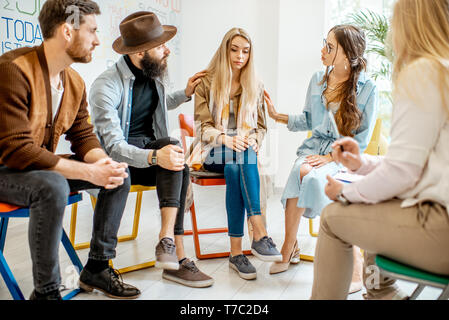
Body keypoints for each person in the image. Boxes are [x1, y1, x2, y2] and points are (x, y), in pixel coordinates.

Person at [0, 0, 141, 300]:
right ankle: (47, 292)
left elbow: (83, 136)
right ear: (67, 31)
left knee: (119, 176)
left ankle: (97, 267)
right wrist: (88, 171)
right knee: (52, 186)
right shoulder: (12, 70)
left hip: (35, 168)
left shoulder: (74, 82)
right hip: (6, 169)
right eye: (91, 31)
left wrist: (104, 164)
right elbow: (16, 150)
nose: (97, 40)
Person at [311, 0, 449, 300]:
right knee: (372, 204)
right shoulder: (443, 69)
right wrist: (362, 164)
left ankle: (380, 291)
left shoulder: (425, 71)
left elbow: (402, 173)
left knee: (333, 217)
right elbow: (423, 163)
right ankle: (382, 292)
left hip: (441, 230)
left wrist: (344, 193)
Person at [89, 11, 213, 288]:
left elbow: (158, 103)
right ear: (139, 53)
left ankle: (166, 241)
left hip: (146, 153)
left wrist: (186, 93)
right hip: (119, 159)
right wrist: (157, 156)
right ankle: (178, 260)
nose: (167, 50)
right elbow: (114, 147)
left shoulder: (152, 74)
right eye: (160, 46)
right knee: (169, 156)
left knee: (174, 152)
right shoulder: (105, 86)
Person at [264, 24, 378, 292]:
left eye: (329, 47)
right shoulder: (318, 78)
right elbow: (307, 120)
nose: (322, 51)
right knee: (299, 171)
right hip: (314, 147)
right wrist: (276, 115)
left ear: (347, 52)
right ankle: (289, 246)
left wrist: (330, 157)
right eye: (323, 44)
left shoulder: (368, 88)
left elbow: (361, 140)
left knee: (313, 178)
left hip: (345, 156)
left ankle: (354, 259)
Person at [187, 28, 282, 281]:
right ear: (225, 50)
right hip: (211, 151)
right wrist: (227, 139)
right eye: (234, 49)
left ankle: (236, 254)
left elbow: (261, 127)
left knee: (236, 166)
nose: (240, 55)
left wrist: (254, 139)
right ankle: (259, 231)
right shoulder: (206, 82)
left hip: (240, 155)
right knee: (242, 155)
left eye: (246, 51)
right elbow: (201, 127)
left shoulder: (255, 84)